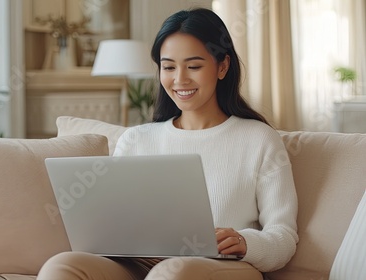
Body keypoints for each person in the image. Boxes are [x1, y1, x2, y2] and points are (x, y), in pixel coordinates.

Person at [37, 7, 298, 280]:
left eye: (194, 66)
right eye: (169, 66)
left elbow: (283, 237)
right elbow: (116, 219)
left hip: (225, 267)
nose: (180, 79)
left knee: (173, 273)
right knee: (62, 266)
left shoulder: (259, 139)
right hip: (142, 265)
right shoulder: (137, 139)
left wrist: (246, 243)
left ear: (222, 66)